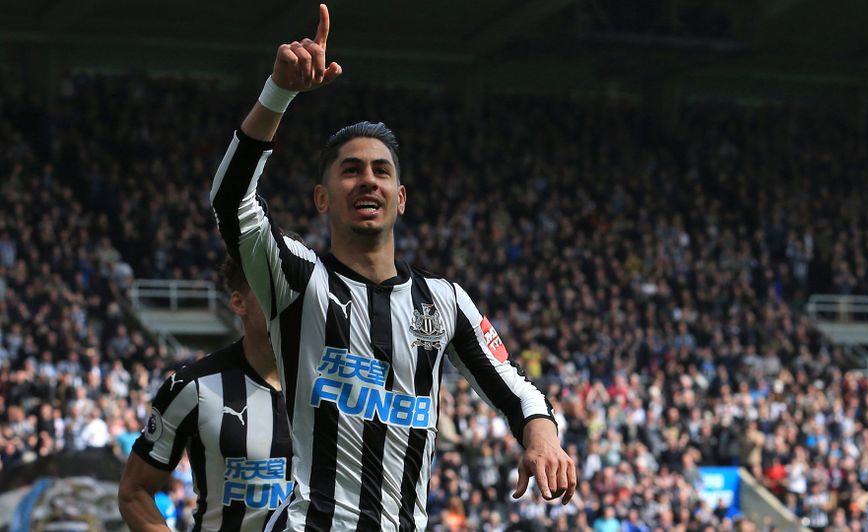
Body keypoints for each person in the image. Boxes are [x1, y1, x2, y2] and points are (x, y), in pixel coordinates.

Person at [209, 4, 576, 530]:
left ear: (400, 198)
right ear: (322, 197)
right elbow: (231, 200)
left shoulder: (444, 302)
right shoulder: (295, 278)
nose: (368, 181)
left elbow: (517, 389)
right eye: (350, 171)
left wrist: (542, 437)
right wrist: (278, 93)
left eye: (382, 172)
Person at [118, 256, 292, 531]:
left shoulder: (338, 384)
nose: (288, 298)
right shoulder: (194, 387)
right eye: (273, 287)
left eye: (296, 286)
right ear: (239, 303)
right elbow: (134, 491)